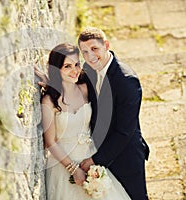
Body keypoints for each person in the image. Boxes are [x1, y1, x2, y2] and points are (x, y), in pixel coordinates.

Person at [41, 43, 131, 199]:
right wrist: (73, 169)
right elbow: (50, 142)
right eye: (67, 66)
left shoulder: (84, 88)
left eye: (76, 64)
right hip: (64, 164)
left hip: (90, 158)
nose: (74, 70)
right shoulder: (49, 101)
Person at [77, 27, 150, 200]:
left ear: (106, 45)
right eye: (85, 52)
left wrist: (95, 160)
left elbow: (124, 131)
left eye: (94, 49)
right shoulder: (89, 68)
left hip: (125, 156)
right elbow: (72, 82)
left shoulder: (126, 81)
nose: (90, 56)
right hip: (98, 148)